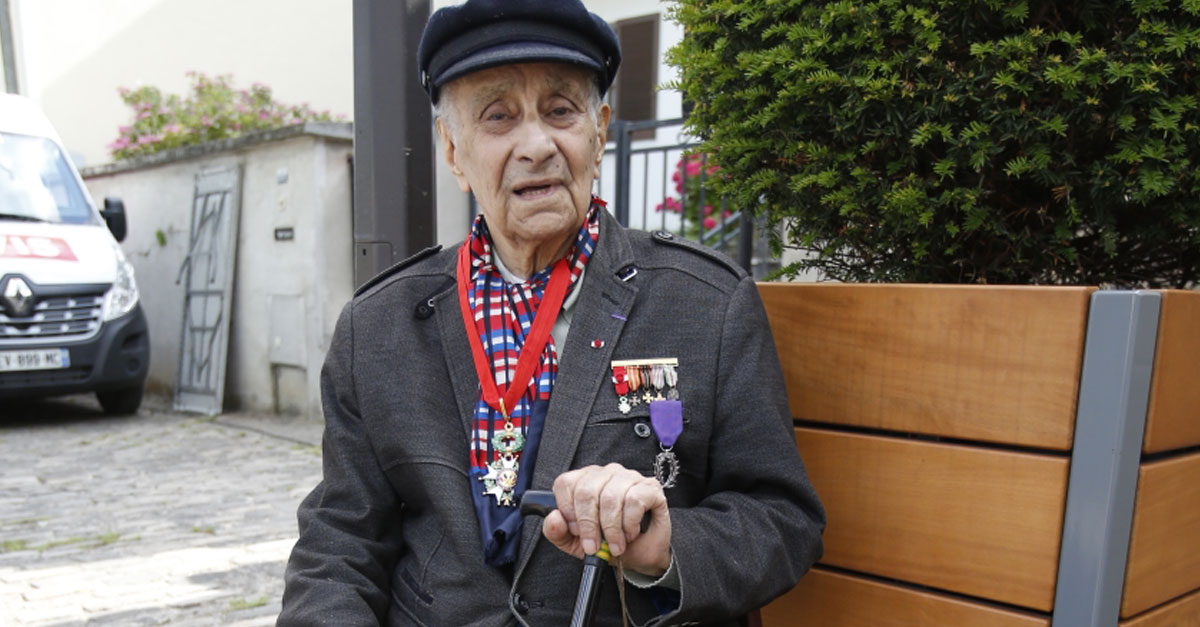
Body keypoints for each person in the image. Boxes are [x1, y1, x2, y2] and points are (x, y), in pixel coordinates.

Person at [279, 1, 824, 624]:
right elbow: (339, 543)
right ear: (453, 150)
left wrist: (663, 549)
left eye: (560, 110)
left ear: (599, 130)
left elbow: (784, 520)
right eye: (498, 117)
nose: (536, 145)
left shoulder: (707, 304)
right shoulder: (378, 327)